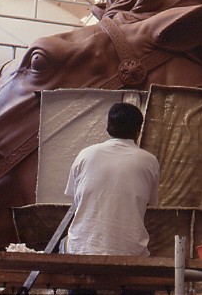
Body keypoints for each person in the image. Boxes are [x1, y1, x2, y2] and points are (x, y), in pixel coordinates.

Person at [62, 102, 159, 294]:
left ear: (108, 127)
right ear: (138, 131)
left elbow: (75, 198)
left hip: (83, 249)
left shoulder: (84, 155)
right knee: (140, 273)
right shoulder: (149, 161)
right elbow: (149, 202)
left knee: (69, 247)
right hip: (129, 252)